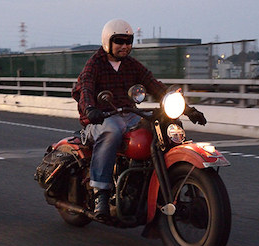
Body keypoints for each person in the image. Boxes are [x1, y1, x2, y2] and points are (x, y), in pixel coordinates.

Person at [72, 19, 207, 218]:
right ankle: (101, 192)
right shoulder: (95, 64)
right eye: (119, 41)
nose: (125, 46)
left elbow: (155, 86)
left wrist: (187, 109)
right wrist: (90, 108)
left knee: (162, 125)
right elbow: (85, 88)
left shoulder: (131, 65)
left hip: (128, 115)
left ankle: (147, 180)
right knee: (113, 130)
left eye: (128, 41)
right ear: (107, 41)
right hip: (101, 118)